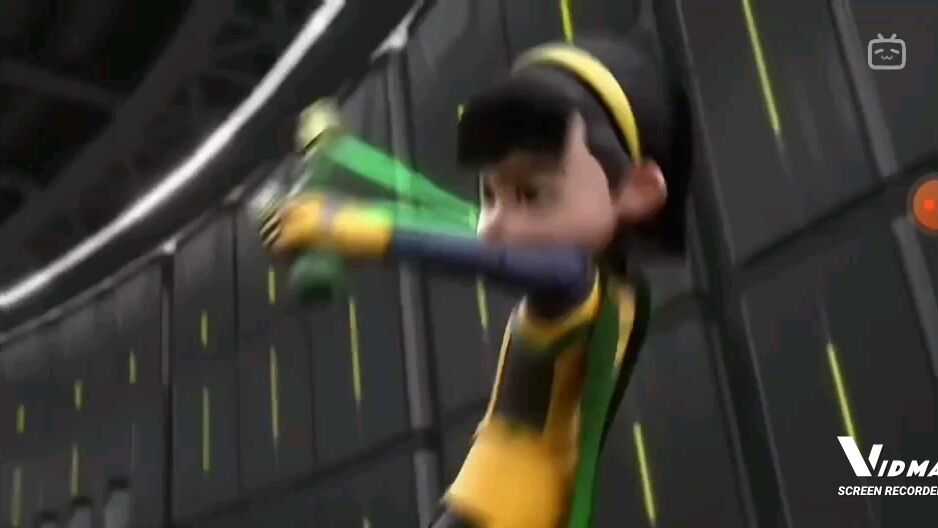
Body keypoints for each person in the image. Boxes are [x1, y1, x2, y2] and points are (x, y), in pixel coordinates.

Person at [258, 28, 691, 528]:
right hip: (500, 493)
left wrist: (350, 229)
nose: (496, 222)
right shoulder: (603, 286)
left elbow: (486, 257)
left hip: (508, 504)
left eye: (532, 193)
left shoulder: (573, 277)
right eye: (490, 194)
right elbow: (458, 230)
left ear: (638, 190)